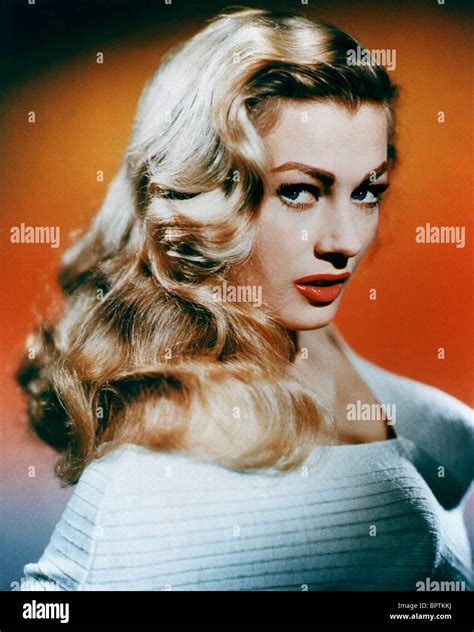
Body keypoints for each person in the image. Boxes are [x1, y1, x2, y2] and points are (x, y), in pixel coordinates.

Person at [18, 7, 473, 591]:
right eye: (300, 192)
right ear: (206, 192)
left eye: (366, 191)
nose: (345, 242)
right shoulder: (154, 468)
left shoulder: (299, 331)